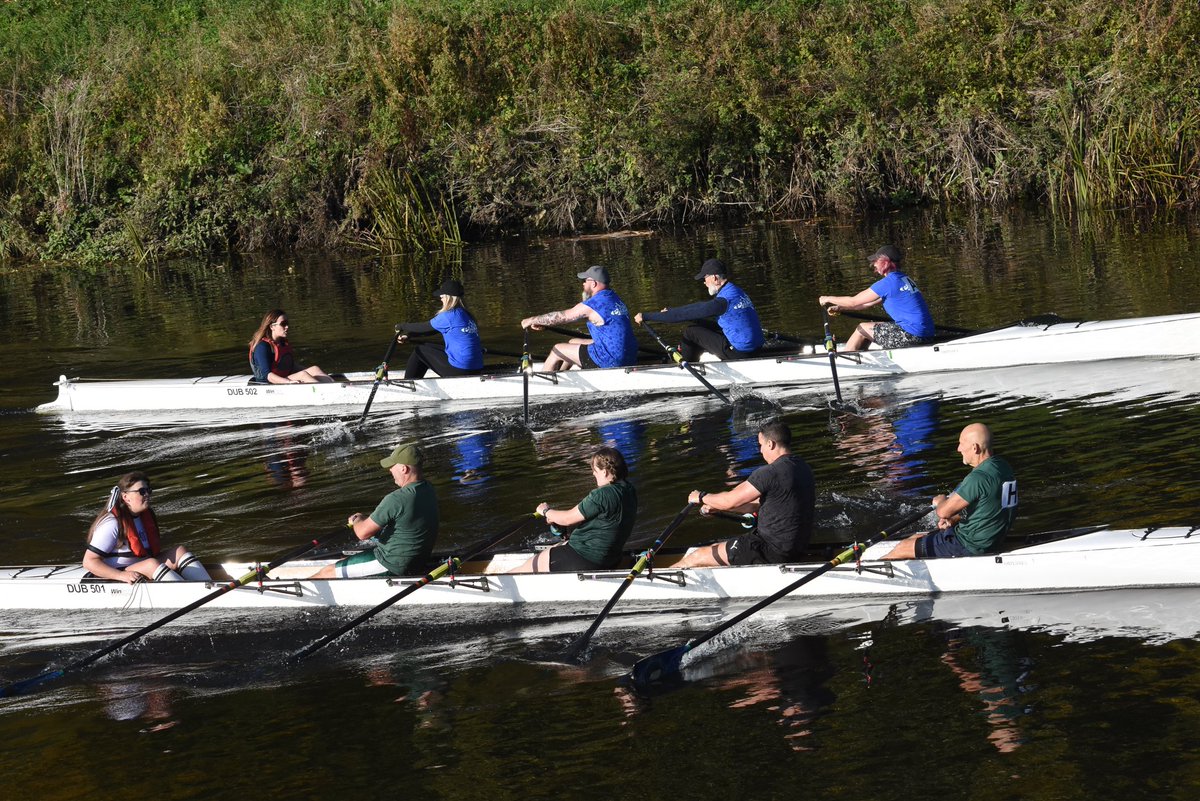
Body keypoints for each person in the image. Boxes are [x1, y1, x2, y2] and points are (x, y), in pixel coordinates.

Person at [676, 419, 815, 567]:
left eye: (761, 445)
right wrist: (717, 507)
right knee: (714, 548)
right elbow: (754, 505)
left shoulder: (769, 473)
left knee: (696, 557)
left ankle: (661, 578)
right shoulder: (803, 468)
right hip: (795, 548)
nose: (760, 451)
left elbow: (730, 500)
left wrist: (701, 497)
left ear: (770, 444)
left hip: (768, 550)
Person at [882, 422, 1018, 560]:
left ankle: (873, 570)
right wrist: (953, 519)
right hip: (992, 540)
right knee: (915, 538)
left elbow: (943, 512)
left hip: (969, 545)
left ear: (974, 448)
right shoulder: (1002, 466)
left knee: (902, 548)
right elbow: (990, 506)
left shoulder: (978, 478)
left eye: (961, 444)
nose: (958, 449)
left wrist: (941, 501)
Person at [309, 443, 439, 579]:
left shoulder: (397, 498)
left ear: (403, 469)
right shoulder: (428, 489)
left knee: (327, 572)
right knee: (344, 561)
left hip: (390, 563)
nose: (390, 470)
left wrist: (357, 519)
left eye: (392, 466)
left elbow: (362, 533)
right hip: (416, 562)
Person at [508, 446, 638, 573]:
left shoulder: (602, 494)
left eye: (595, 470)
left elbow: (567, 519)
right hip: (612, 558)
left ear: (604, 472)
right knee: (557, 547)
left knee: (526, 567)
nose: (593, 473)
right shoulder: (629, 490)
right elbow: (599, 517)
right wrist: (556, 518)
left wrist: (546, 511)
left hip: (585, 557)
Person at [83, 472, 211, 583]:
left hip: (141, 566)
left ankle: (208, 586)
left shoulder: (145, 516)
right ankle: (193, 593)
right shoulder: (112, 523)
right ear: (125, 497)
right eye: (141, 492)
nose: (147, 495)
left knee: (179, 551)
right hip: (117, 574)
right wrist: (121, 575)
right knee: (151, 564)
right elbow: (89, 562)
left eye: (148, 490)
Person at [634, 258, 764, 361]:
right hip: (756, 348)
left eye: (705, 278)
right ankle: (693, 355)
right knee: (702, 326)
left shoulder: (722, 301)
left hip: (740, 353)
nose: (704, 282)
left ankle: (687, 368)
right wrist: (672, 311)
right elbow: (696, 312)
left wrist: (646, 316)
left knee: (691, 332)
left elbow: (684, 314)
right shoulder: (737, 292)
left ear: (714, 278)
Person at [520, 265, 638, 371]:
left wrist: (532, 320)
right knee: (573, 342)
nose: (583, 284)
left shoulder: (594, 304)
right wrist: (545, 324)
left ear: (593, 284)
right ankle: (561, 374)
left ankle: (545, 383)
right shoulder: (615, 298)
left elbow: (562, 317)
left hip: (610, 360)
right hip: (630, 355)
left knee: (557, 350)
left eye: (585, 281)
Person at [817, 245, 935, 351]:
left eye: (876, 261)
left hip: (912, 335)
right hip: (927, 333)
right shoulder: (905, 278)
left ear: (886, 262)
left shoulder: (888, 283)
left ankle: (846, 359)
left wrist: (827, 298)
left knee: (861, 328)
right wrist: (841, 308)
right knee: (872, 326)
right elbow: (866, 304)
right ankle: (858, 354)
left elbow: (853, 301)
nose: (874, 264)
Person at [395, 279, 484, 380]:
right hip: (477, 367)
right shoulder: (467, 315)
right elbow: (432, 330)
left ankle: (409, 382)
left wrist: (401, 326)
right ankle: (417, 378)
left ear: (448, 298)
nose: (440, 299)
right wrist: (410, 335)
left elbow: (423, 327)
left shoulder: (448, 316)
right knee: (427, 346)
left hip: (460, 369)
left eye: (442, 297)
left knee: (419, 350)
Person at [248, 309, 335, 384]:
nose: (287, 327)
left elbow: (291, 367)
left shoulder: (282, 343)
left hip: (284, 378)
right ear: (272, 327)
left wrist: (311, 373)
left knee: (315, 369)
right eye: (283, 324)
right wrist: (288, 382)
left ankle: (335, 387)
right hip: (269, 384)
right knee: (303, 375)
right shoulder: (262, 347)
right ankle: (324, 392)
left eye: (287, 323)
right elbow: (268, 376)